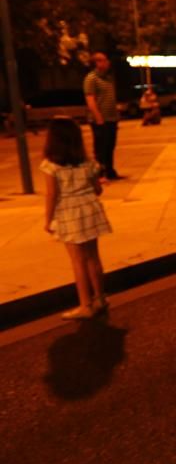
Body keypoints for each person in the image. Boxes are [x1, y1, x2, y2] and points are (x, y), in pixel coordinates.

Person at [41, 116, 112, 320]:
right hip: (90, 209)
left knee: (78, 261)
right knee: (93, 257)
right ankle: (100, 298)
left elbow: (52, 194)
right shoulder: (88, 163)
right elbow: (97, 189)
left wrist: (48, 219)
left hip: (69, 212)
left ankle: (85, 305)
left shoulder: (51, 165)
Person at [83, 51, 121, 179]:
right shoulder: (91, 78)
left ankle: (110, 170)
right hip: (100, 119)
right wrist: (98, 117)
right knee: (101, 147)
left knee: (110, 145)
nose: (107, 62)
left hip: (111, 118)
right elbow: (90, 100)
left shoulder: (108, 78)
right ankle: (100, 172)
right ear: (97, 63)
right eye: (104, 60)